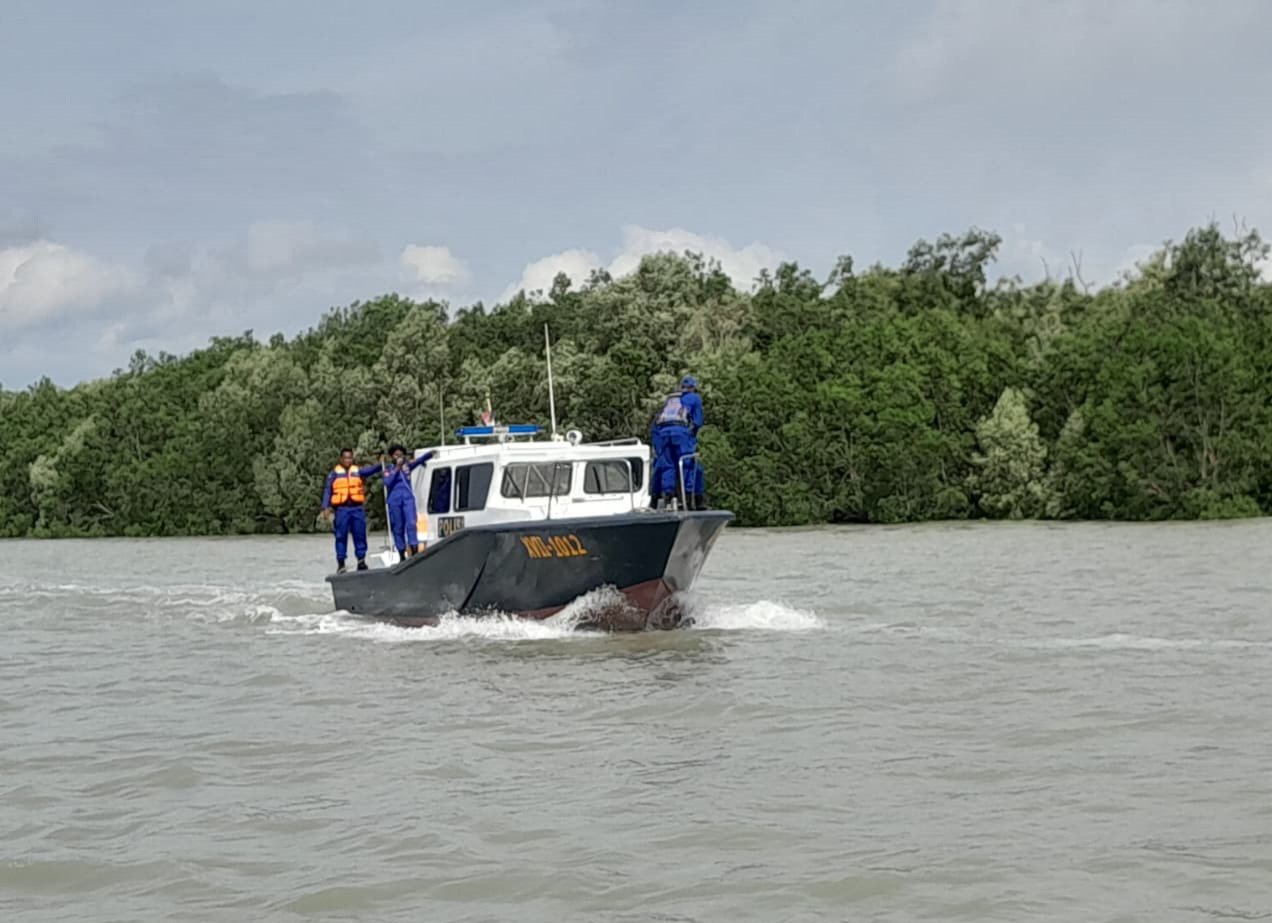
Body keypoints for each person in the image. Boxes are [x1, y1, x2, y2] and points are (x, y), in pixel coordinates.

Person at [321, 448, 384, 573]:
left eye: (350, 458)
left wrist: (380, 465)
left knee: (360, 534)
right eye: (345, 458)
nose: (348, 460)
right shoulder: (333, 474)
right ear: (341, 459)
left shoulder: (358, 471)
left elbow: (370, 470)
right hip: (341, 509)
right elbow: (328, 490)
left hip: (357, 508)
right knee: (341, 536)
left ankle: (361, 561)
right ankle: (341, 564)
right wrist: (325, 507)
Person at [650, 374, 706, 510]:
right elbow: (698, 421)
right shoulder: (694, 398)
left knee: (667, 466)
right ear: (693, 388)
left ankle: (667, 498)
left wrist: (657, 447)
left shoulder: (670, 400)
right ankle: (689, 499)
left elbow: (655, 424)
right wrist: (692, 436)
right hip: (681, 433)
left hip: (662, 434)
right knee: (687, 464)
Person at [384, 444, 433, 558]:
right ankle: (401, 553)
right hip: (394, 500)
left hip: (408, 498)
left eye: (401, 455)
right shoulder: (388, 469)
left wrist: (429, 455)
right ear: (392, 456)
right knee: (398, 526)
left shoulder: (407, 466)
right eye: (396, 455)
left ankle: (414, 548)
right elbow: (387, 482)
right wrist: (397, 468)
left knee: (411, 523)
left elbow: (419, 461)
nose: (399, 457)